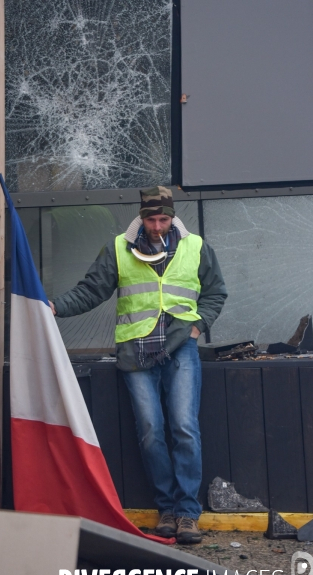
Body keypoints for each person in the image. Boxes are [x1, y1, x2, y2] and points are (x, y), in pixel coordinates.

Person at [49, 186, 227, 544]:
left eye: (163, 219)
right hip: (136, 352)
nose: (157, 226)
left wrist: (197, 327)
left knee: (184, 428)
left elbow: (216, 291)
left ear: (173, 216)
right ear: (141, 217)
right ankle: (167, 510)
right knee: (150, 432)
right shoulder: (118, 248)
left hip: (181, 349)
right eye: (151, 219)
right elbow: (91, 290)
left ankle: (188, 514)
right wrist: (53, 306)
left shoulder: (195, 246)